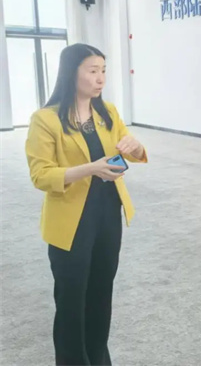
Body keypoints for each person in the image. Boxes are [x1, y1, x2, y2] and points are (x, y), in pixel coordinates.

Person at [25, 43, 147, 365]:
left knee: (101, 294)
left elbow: (129, 152)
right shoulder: (45, 119)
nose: (100, 78)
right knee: (71, 300)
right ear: (71, 73)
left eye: (103, 71)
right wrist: (90, 168)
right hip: (71, 221)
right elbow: (41, 175)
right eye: (93, 71)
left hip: (107, 213)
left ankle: (98, 359)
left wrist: (134, 147)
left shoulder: (107, 112)